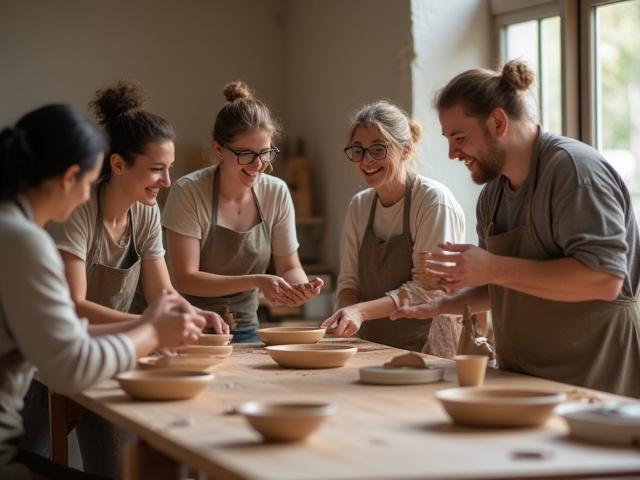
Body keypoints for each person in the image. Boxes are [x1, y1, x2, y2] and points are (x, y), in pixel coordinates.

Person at [394, 60, 640, 397]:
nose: (452, 153)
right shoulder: (492, 194)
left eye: (459, 137)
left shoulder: (574, 172)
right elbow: (504, 286)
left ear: (497, 122)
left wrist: (491, 266)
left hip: (594, 379)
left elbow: (604, 279)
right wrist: (443, 305)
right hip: (523, 378)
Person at [20, 82, 227, 479]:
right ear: (117, 165)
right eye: (156, 169)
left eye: (169, 169)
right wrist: (149, 328)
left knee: (117, 471)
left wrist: (195, 314)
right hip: (51, 357)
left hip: (108, 355)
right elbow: (74, 304)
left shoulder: (145, 212)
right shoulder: (79, 208)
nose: (167, 181)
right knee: (27, 465)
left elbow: (162, 292)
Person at [163, 81, 323, 343]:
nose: (258, 165)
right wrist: (258, 281)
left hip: (248, 327)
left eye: (265, 153)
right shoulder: (189, 191)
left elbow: (289, 265)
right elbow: (185, 278)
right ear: (218, 149)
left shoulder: (276, 192)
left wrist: (299, 287)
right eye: (246, 154)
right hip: (191, 329)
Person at [321, 101, 465, 352]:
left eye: (378, 149)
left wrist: (360, 311)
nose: (366, 160)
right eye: (358, 150)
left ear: (406, 150)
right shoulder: (360, 206)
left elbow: (428, 289)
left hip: (429, 346)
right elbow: (349, 284)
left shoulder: (432, 201)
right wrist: (344, 316)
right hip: (370, 346)